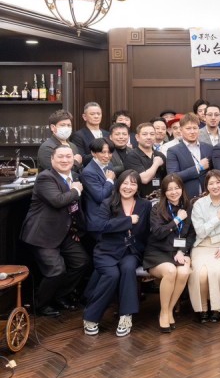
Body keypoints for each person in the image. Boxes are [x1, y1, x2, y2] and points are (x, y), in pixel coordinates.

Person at [20, 144, 89, 317]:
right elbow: (58, 201)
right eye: (60, 156)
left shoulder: (75, 176)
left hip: (64, 233)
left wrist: (78, 229)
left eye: (68, 156)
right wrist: (76, 190)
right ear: (52, 160)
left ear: (73, 159)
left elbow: (75, 208)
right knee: (56, 271)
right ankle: (40, 305)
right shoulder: (45, 177)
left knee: (81, 262)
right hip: (42, 234)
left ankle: (60, 295)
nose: (65, 160)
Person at [82, 170, 151, 337]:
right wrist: (127, 221)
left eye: (133, 184)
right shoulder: (108, 203)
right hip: (107, 250)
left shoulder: (145, 205)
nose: (128, 187)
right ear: (119, 184)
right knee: (111, 275)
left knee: (128, 268)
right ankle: (91, 316)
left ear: (138, 187)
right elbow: (100, 226)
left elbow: (149, 231)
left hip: (131, 251)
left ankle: (126, 316)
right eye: (125, 183)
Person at [143, 174, 195, 332]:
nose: (173, 192)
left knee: (184, 272)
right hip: (157, 251)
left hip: (177, 251)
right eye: (169, 189)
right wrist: (176, 221)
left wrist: (182, 251)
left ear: (182, 189)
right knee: (171, 271)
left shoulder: (188, 207)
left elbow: (191, 235)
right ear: (164, 192)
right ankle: (164, 313)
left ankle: (168, 310)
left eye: (177, 188)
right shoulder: (157, 209)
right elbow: (158, 233)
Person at [189, 170, 220, 323]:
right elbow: (200, 232)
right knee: (200, 274)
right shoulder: (199, 204)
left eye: (218, 182)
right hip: (202, 245)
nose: (215, 186)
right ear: (206, 186)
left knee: (218, 272)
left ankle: (216, 308)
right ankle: (202, 308)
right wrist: (217, 218)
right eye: (211, 183)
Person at [166, 113, 213, 200]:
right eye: (188, 128)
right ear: (181, 130)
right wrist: (198, 167)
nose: (192, 132)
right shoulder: (173, 151)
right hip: (186, 197)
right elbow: (173, 177)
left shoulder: (209, 148)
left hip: (208, 196)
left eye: (195, 128)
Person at [79, 137, 116, 236]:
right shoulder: (88, 172)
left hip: (110, 216)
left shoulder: (109, 165)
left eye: (109, 152)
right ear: (93, 153)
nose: (107, 156)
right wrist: (109, 180)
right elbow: (100, 196)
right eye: (103, 152)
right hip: (97, 221)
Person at [124, 122, 167, 198]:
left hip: (160, 199)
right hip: (140, 199)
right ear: (137, 137)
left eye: (152, 134)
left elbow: (166, 178)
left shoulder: (160, 155)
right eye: (145, 134)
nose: (149, 137)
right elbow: (144, 179)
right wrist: (156, 164)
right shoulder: (132, 156)